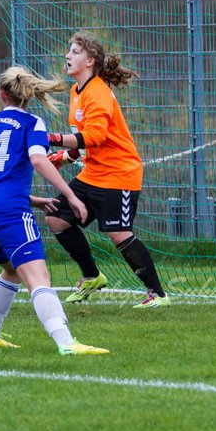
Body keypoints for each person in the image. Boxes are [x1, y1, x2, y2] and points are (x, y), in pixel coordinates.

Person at [0, 66, 109, 356]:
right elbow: (40, 161)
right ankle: (67, 343)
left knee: (12, 271)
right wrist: (71, 196)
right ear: (28, 96)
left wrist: (32, 199)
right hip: (6, 212)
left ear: (1, 94)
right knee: (38, 277)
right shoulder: (32, 122)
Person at [44, 32, 170, 307]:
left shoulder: (98, 92)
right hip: (93, 173)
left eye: (75, 52)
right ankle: (92, 277)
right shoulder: (77, 91)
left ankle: (158, 295)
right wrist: (66, 155)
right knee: (56, 218)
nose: (68, 55)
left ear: (90, 61)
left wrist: (52, 139)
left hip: (118, 174)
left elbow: (97, 136)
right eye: (69, 50)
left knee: (119, 233)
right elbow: (85, 137)